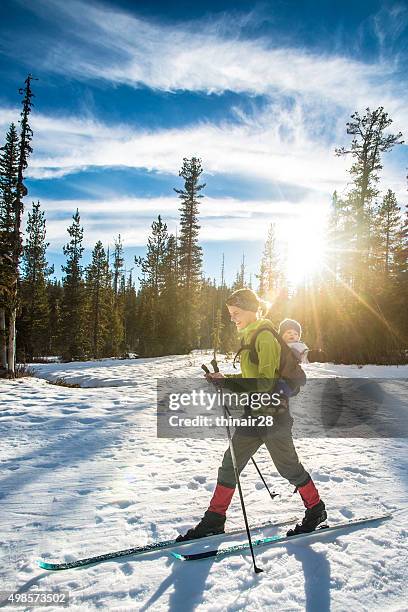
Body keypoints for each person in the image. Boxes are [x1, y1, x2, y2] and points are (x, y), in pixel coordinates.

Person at [176, 288, 327, 542]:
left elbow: (265, 384)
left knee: (288, 468)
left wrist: (228, 382)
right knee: (229, 465)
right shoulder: (250, 337)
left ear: (249, 310)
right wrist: (224, 379)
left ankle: (316, 509)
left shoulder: (264, 337)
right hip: (253, 416)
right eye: (230, 314)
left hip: (273, 417)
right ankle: (215, 519)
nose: (232, 318)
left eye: (236, 313)